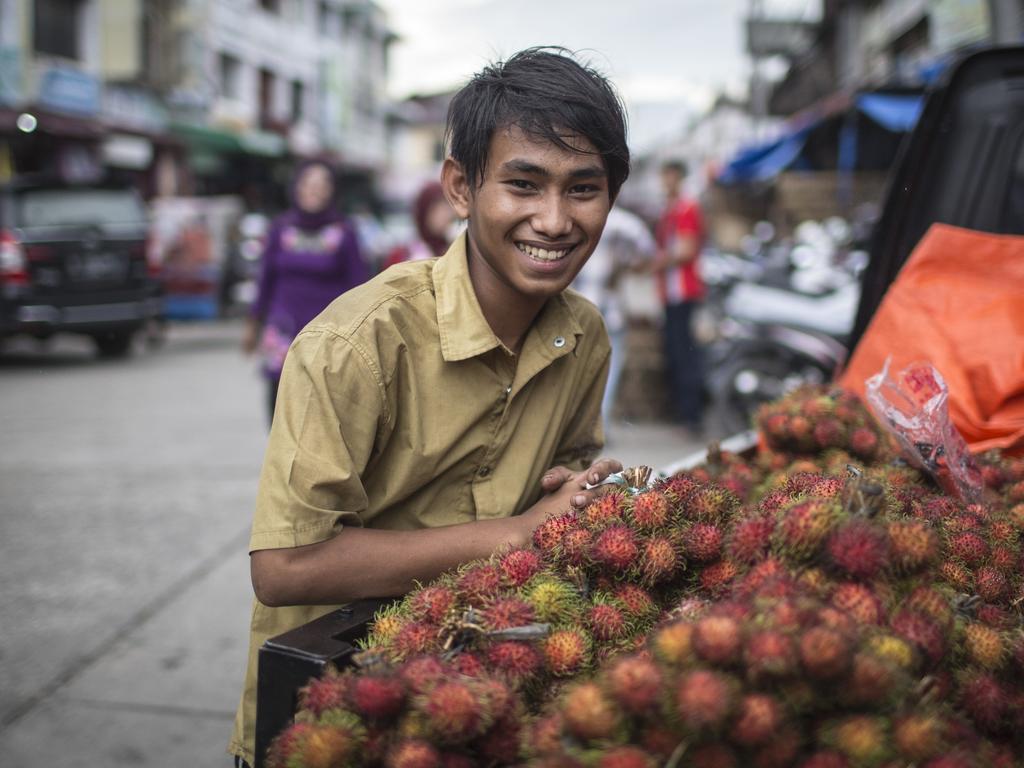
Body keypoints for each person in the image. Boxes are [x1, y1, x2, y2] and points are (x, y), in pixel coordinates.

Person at [228, 46, 631, 767]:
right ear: (460, 188)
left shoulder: (585, 336)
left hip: (490, 693)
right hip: (338, 705)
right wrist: (516, 533)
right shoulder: (356, 343)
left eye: (583, 189)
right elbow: (284, 566)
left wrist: (579, 496)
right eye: (523, 184)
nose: (553, 219)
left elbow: (564, 479)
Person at [242, 159, 367, 423]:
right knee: (278, 403)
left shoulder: (344, 232)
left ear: (333, 191)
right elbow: (265, 280)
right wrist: (253, 323)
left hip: (329, 333)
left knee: (324, 406)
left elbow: (361, 287)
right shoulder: (280, 229)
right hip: (283, 330)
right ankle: (280, 461)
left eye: (322, 185)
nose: (314, 190)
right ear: (296, 187)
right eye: (308, 184)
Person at [571, 205, 655, 436]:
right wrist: (624, 267)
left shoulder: (573, 217)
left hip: (576, 308)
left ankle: (577, 429)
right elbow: (648, 256)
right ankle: (599, 428)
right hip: (610, 309)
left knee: (576, 370)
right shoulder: (627, 224)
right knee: (609, 371)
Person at [652, 159, 706, 434]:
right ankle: (683, 413)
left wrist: (656, 263)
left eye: (670, 175)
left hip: (684, 292)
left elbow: (685, 250)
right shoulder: (668, 210)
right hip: (670, 294)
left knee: (684, 354)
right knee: (674, 352)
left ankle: (691, 416)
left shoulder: (686, 208)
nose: (666, 181)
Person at [382, 180, 458, 269]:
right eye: (437, 210)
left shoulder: (457, 249)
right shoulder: (404, 256)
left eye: (448, 207)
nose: (446, 215)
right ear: (424, 212)